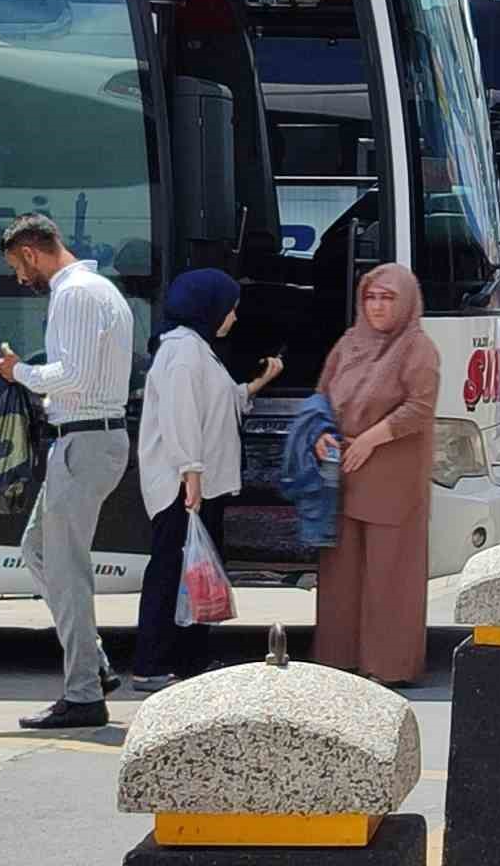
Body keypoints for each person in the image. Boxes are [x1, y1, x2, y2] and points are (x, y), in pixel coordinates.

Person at [0, 214, 134, 730]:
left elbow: (69, 374)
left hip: (84, 441)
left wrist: (17, 372)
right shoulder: (102, 291)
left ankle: (83, 694)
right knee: (37, 550)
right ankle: (91, 665)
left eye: (15, 266)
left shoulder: (72, 295)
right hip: (92, 439)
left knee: (68, 573)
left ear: (31, 252)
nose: (18, 279)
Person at [132, 270, 283, 690]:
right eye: (229, 307)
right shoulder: (182, 352)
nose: (233, 317)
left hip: (199, 482)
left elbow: (214, 403)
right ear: (207, 306)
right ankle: (152, 663)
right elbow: (180, 417)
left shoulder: (197, 349)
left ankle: (187, 657)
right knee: (170, 571)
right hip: (182, 486)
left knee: (192, 571)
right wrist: (190, 474)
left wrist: (255, 386)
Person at [314, 265, 441, 685]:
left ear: (405, 302)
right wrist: (320, 435)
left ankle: (389, 665)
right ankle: (340, 661)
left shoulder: (417, 348)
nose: (378, 307)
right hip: (345, 473)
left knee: (390, 572)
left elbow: (419, 408)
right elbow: (322, 397)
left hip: (393, 477)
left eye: (388, 298)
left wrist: (371, 439)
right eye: (371, 297)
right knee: (340, 574)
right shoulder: (349, 343)